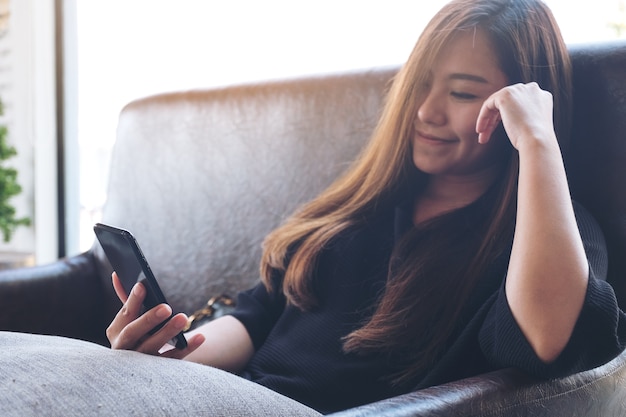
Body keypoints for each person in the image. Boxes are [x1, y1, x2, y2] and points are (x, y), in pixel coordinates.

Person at [106, 0, 626, 414]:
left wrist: (538, 142)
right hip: (232, 397)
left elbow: (545, 340)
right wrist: (170, 354)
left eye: (464, 94)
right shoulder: (363, 207)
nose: (426, 111)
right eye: (419, 85)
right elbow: (258, 314)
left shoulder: (547, 237)